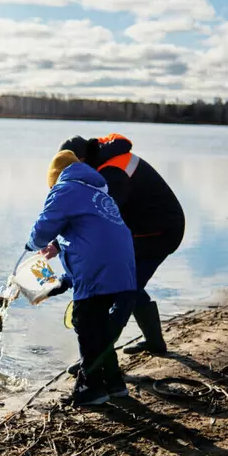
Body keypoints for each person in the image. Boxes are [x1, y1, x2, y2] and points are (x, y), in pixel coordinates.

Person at [25, 150, 136, 405]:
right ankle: (115, 384)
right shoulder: (98, 193)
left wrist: (32, 245)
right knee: (100, 329)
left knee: (85, 322)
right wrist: (59, 248)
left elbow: (41, 231)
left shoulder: (64, 189)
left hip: (98, 272)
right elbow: (92, 240)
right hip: (124, 271)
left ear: (54, 178)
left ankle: (90, 388)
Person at [57, 133, 185, 356]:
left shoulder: (113, 172)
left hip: (160, 232)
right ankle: (154, 343)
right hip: (143, 230)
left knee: (125, 289)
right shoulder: (102, 163)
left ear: (83, 160)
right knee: (131, 282)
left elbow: (99, 221)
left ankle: (98, 359)